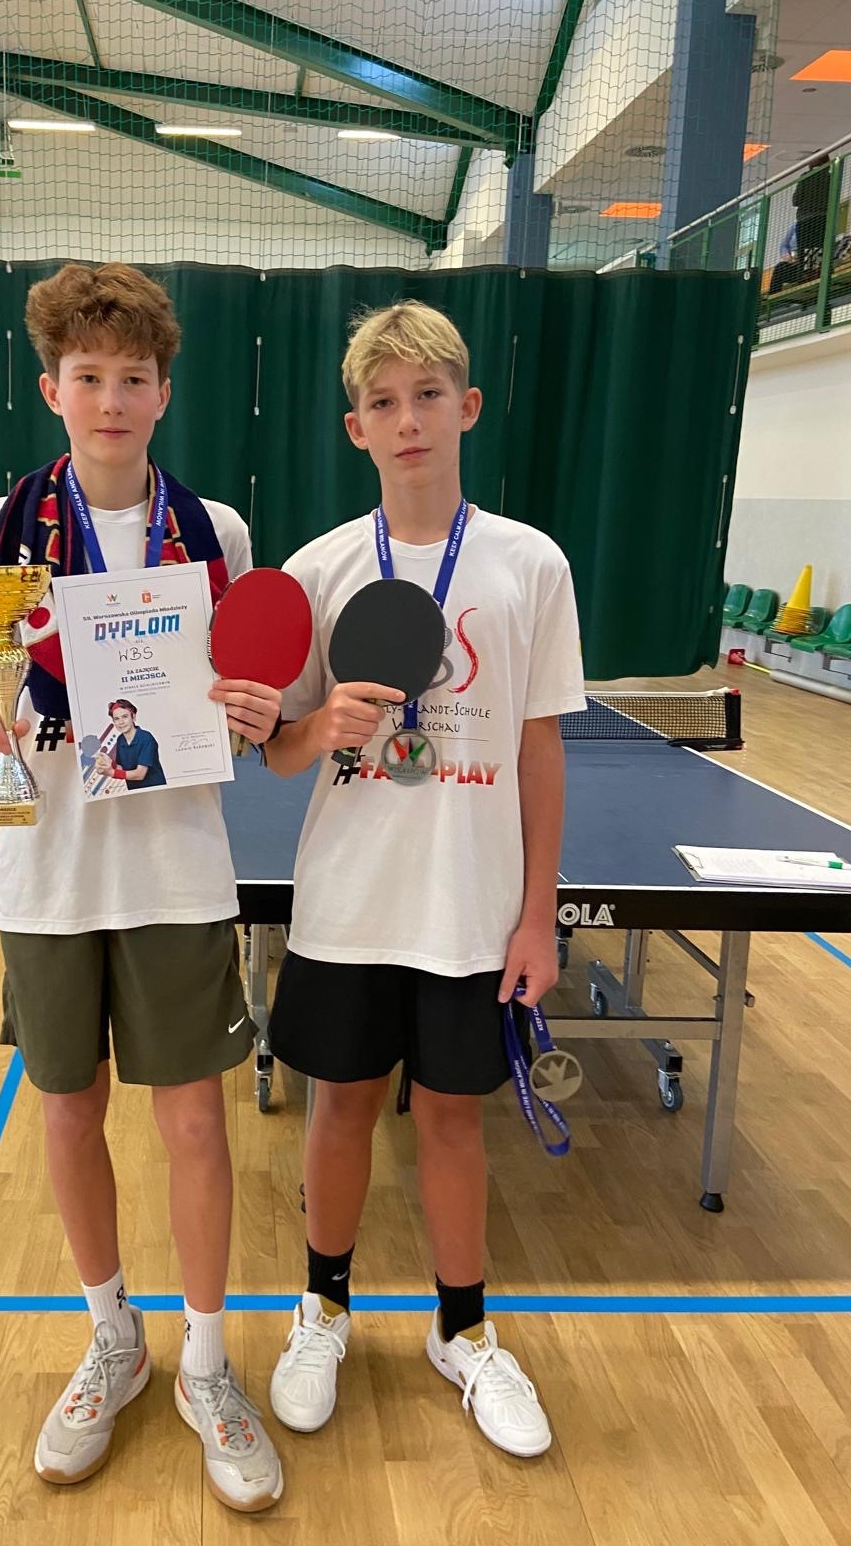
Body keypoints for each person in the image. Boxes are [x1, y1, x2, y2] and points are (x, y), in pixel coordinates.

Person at [0, 263, 284, 1511]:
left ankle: (206, 1360)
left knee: (194, 1122)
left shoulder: (218, 534)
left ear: (161, 393)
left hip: (177, 870)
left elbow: (247, 694)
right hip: (47, 873)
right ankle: (113, 1338)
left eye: (131, 377)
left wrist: (251, 709)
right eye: (86, 376)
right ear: (52, 389)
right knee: (68, 1110)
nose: (109, 399)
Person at [262, 300, 586, 1457]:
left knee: (452, 1119)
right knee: (341, 1106)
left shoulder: (530, 563)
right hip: (348, 902)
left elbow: (541, 749)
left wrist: (538, 915)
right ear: (356, 427)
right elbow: (279, 748)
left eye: (428, 397)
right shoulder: (318, 569)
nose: (408, 421)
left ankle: (463, 1329)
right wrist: (320, 726)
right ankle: (322, 1311)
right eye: (384, 403)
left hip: (471, 908)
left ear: (468, 408)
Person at [95, 699, 167, 789]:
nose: (121, 722)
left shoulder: (146, 738)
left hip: (155, 790)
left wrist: (111, 773)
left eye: (125, 716)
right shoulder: (120, 740)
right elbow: (122, 768)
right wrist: (110, 763)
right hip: (134, 791)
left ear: (133, 717)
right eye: (116, 719)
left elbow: (140, 774)